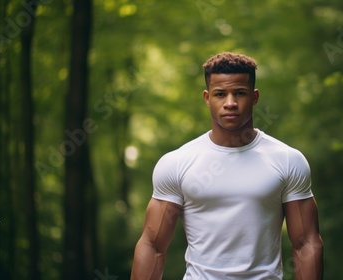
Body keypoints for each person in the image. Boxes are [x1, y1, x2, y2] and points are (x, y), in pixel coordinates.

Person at [131, 52, 323, 280]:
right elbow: (153, 246)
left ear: (254, 97)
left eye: (239, 93)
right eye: (220, 94)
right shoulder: (177, 163)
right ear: (207, 97)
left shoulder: (287, 160)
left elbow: (306, 243)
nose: (230, 103)